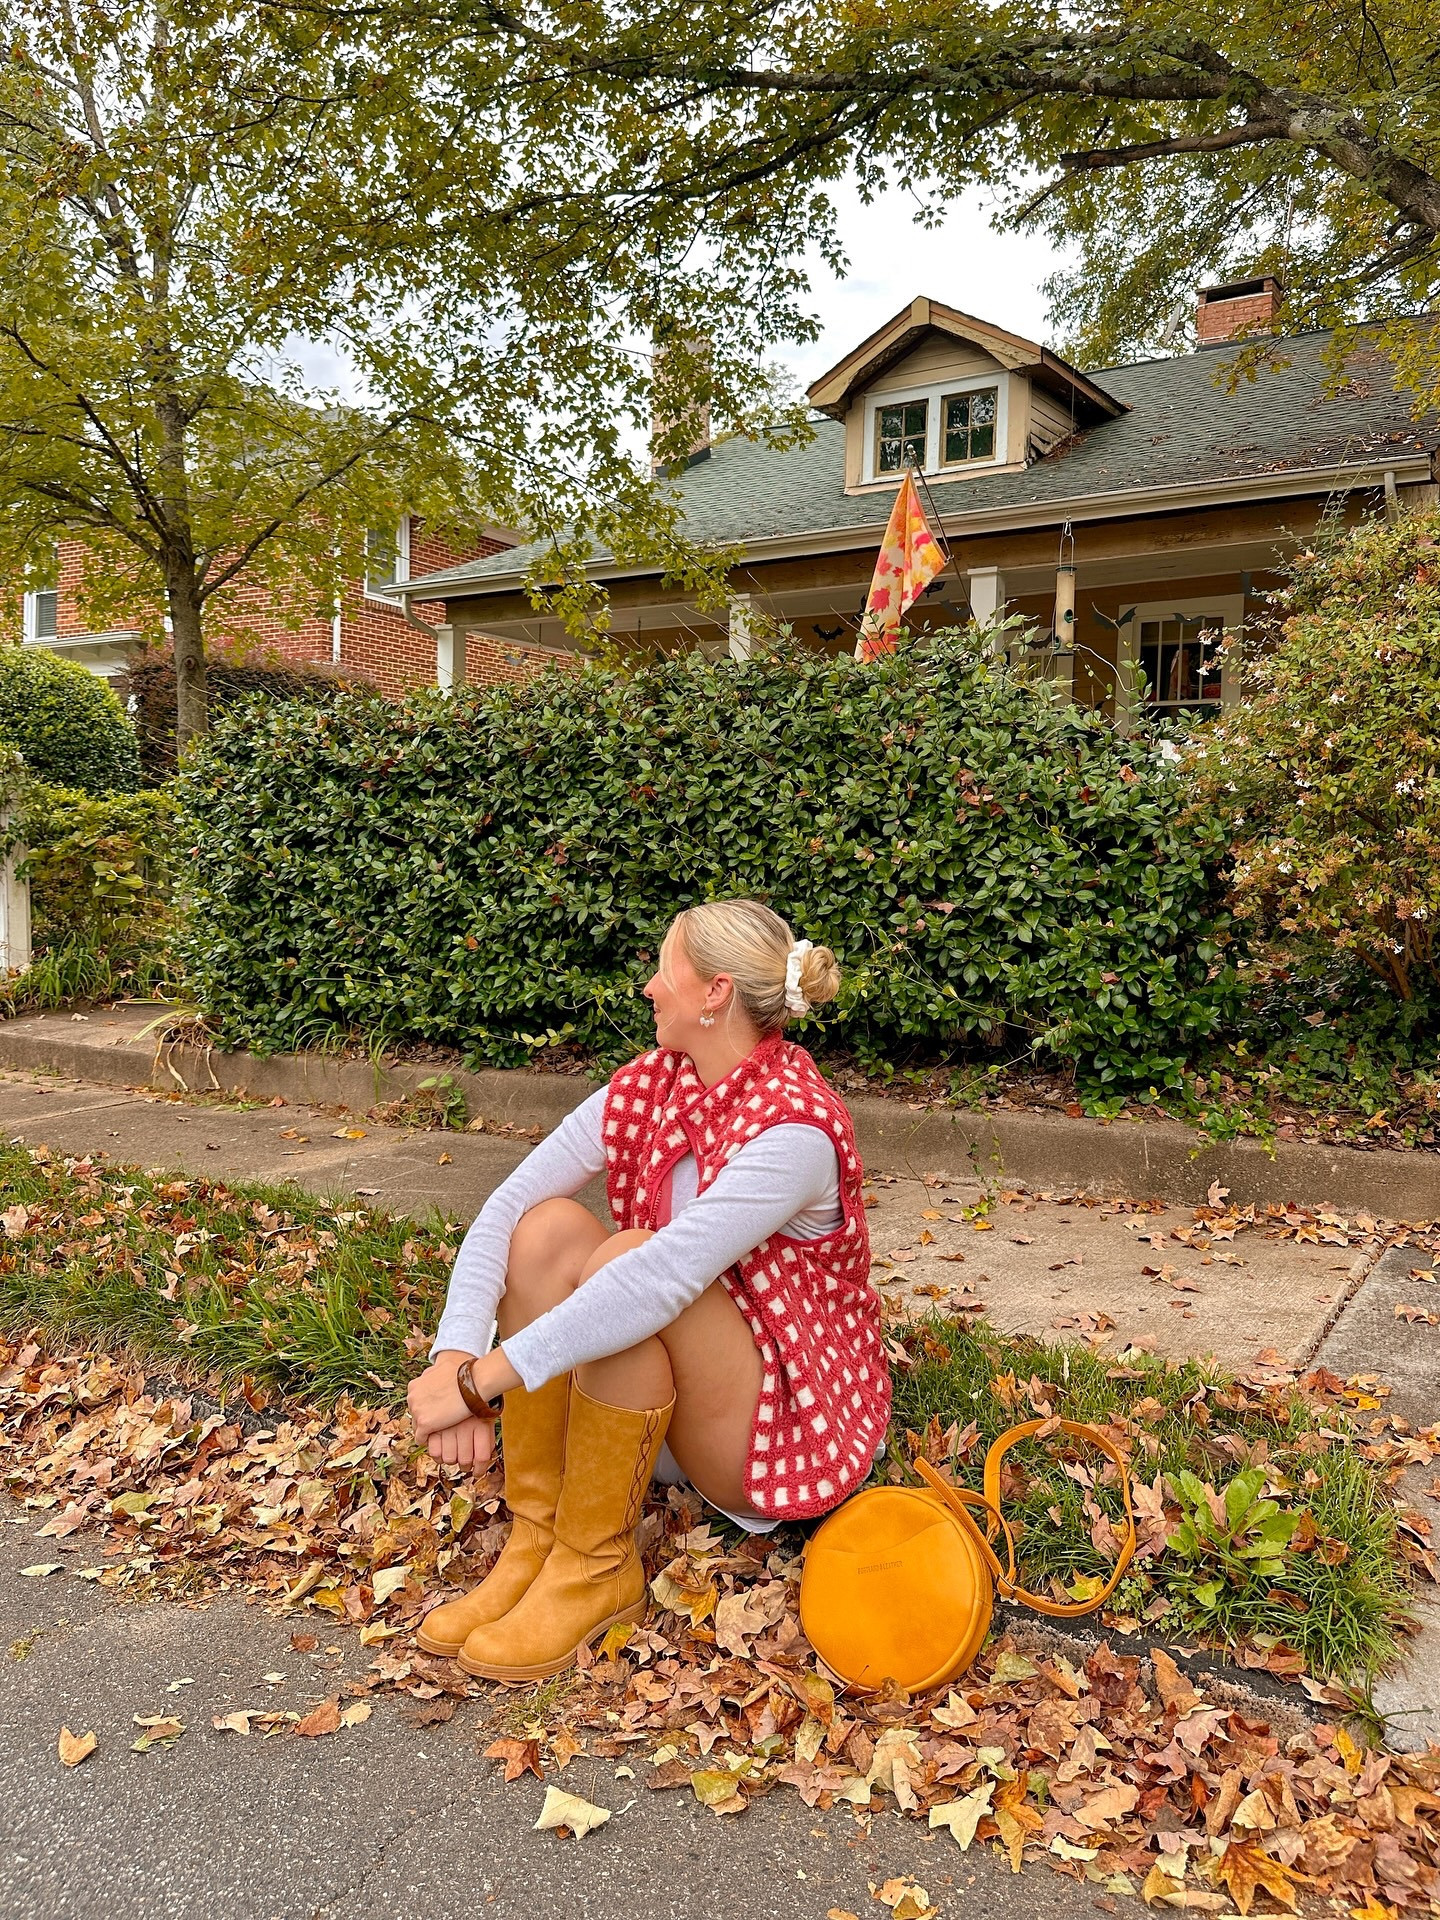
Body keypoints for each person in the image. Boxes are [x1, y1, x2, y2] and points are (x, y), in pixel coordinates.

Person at [406, 899, 890, 1682]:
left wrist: (479, 1383)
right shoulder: (653, 1086)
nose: (648, 988)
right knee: (549, 1229)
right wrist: (454, 1349)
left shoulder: (795, 1129)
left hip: (776, 1422)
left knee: (631, 1258)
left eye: (665, 969)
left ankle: (596, 1570)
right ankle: (540, 1537)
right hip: (660, 1400)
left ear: (715, 993)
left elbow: (659, 1281)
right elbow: (506, 1206)